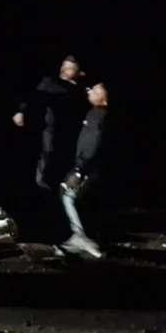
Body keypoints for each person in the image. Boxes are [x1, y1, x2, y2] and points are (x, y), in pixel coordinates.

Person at [14, 56, 89, 192]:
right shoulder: (50, 82)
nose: (64, 70)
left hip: (70, 135)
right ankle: (39, 185)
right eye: (63, 66)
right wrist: (21, 111)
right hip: (48, 129)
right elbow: (33, 96)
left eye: (70, 68)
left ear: (79, 73)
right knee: (45, 155)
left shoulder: (81, 91)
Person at [57, 82, 109, 258]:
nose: (90, 91)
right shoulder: (96, 114)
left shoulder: (97, 116)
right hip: (89, 165)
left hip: (87, 166)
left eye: (95, 91)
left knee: (68, 196)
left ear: (103, 98)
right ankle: (84, 238)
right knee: (69, 194)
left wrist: (79, 171)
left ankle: (80, 237)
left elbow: (93, 142)